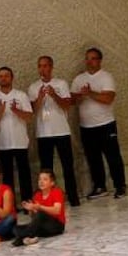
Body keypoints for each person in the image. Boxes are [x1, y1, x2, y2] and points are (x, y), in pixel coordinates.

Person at [71, 48, 127, 199]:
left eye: (93, 58)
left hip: (106, 124)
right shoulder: (78, 79)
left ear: (100, 60)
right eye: (87, 58)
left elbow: (108, 98)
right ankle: (100, 186)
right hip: (86, 126)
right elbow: (72, 101)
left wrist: (90, 93)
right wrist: (81, 96)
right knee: (93, 158)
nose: (90, 61)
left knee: (112, 156)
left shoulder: (106, 77)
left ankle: (120, 186)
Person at [27, 56, 80, 206]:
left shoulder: (61, 83)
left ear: (51, 67)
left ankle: (73, 197)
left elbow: (66, 106)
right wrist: (40, 97)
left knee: (67, 165)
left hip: (61, 131)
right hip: (43, 134)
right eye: (40, 66)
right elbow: (32, 111)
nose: (42, 69)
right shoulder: (33, 87)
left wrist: (54, 94)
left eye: (45, 66)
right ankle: (49, 200)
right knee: (46, 169)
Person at [0, 67, 34, 204]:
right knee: (7, 177)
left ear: (12, 78)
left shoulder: (21, 95)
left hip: (20, 142)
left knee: (24, 174)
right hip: (3, 143)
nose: (3, 78)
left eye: (6, 75)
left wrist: (16, 110)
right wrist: (0, 113)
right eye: (0, 76)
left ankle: (27, 202)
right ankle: (9, 205)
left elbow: (29, 117)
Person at [12, 169, 66, 247]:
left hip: (56, 226)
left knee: (41, 214)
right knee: (15, 228)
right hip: (42, 227)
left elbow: (56, 211)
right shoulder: (37, 195)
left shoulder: (56, 192)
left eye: (45, 179)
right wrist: (31, 209)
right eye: (39, 179)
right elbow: (34, 218)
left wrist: (40, 207)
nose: (41, 182)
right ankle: (30, 237)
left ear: (52, 183)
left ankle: (22, 238)